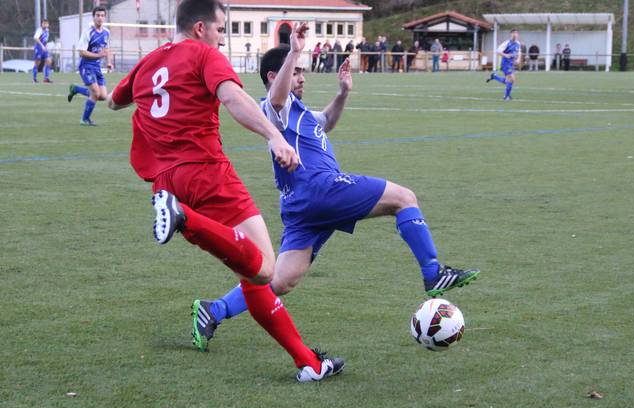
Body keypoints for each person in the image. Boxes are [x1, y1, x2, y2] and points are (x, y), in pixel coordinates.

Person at [191, 32, 479, 352]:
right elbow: (274, 99)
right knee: (404, 198)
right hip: (320, 189)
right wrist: (293, 53)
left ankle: (213, 309)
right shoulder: (275, 107)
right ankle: (433, 273)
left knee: (281, 280)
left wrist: (342, 93)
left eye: (301, 70)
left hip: (303, 205)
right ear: (276, 76)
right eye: (297, 71)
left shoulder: (300, 113)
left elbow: (326, 121)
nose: (302, 77)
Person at [106, 2, 343, 382]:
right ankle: (185, 220)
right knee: (265, 268)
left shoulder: (147, 63)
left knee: (249, 271)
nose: (221, 37)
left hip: (166, 181)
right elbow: (234, 99)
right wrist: (274, 135)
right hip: (206, 172)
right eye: (220, 29)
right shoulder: (204, 55)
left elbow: (114, 101)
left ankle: (308, 364)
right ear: (200, 28)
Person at [66, 7, 110, 126]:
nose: (100, 18)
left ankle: (76, 89)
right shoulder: (88, 32)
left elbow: (106, 49)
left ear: (104, 17)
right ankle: (84, 120)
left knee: (103, 96)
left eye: (102, 15)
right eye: (97, 15)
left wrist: (109, 62)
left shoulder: (106, 32)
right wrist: (98, 55)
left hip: (97, 67)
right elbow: (81, 52)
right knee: (95, 93)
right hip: (86, 66)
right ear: (93, 17)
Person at [486, 28, 521, 101]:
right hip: (505, 63)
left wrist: (518, 59)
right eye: (514, 33)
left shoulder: (518, 43)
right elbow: (498, 51)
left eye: (516, 33)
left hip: (511, 63)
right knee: (511, 79)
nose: (515, 34)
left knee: (510, 80)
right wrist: (505, 55)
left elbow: (519, 52)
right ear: (511, 34)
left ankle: (494, 77)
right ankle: (506, 96)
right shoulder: (507, 43)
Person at [32, 19, 53, 83]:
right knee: (37, 63)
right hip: (38, 48)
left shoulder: (47, 30)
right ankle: (34, 79)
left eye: (46, 23)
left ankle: (46, 78)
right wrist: (42, 46)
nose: (45, 25)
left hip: (44, 49)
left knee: (49, 61)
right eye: (44, 23)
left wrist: (45, 45)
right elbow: (36, 38)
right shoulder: (39, 30)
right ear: (42, 24)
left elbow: (45, 40)